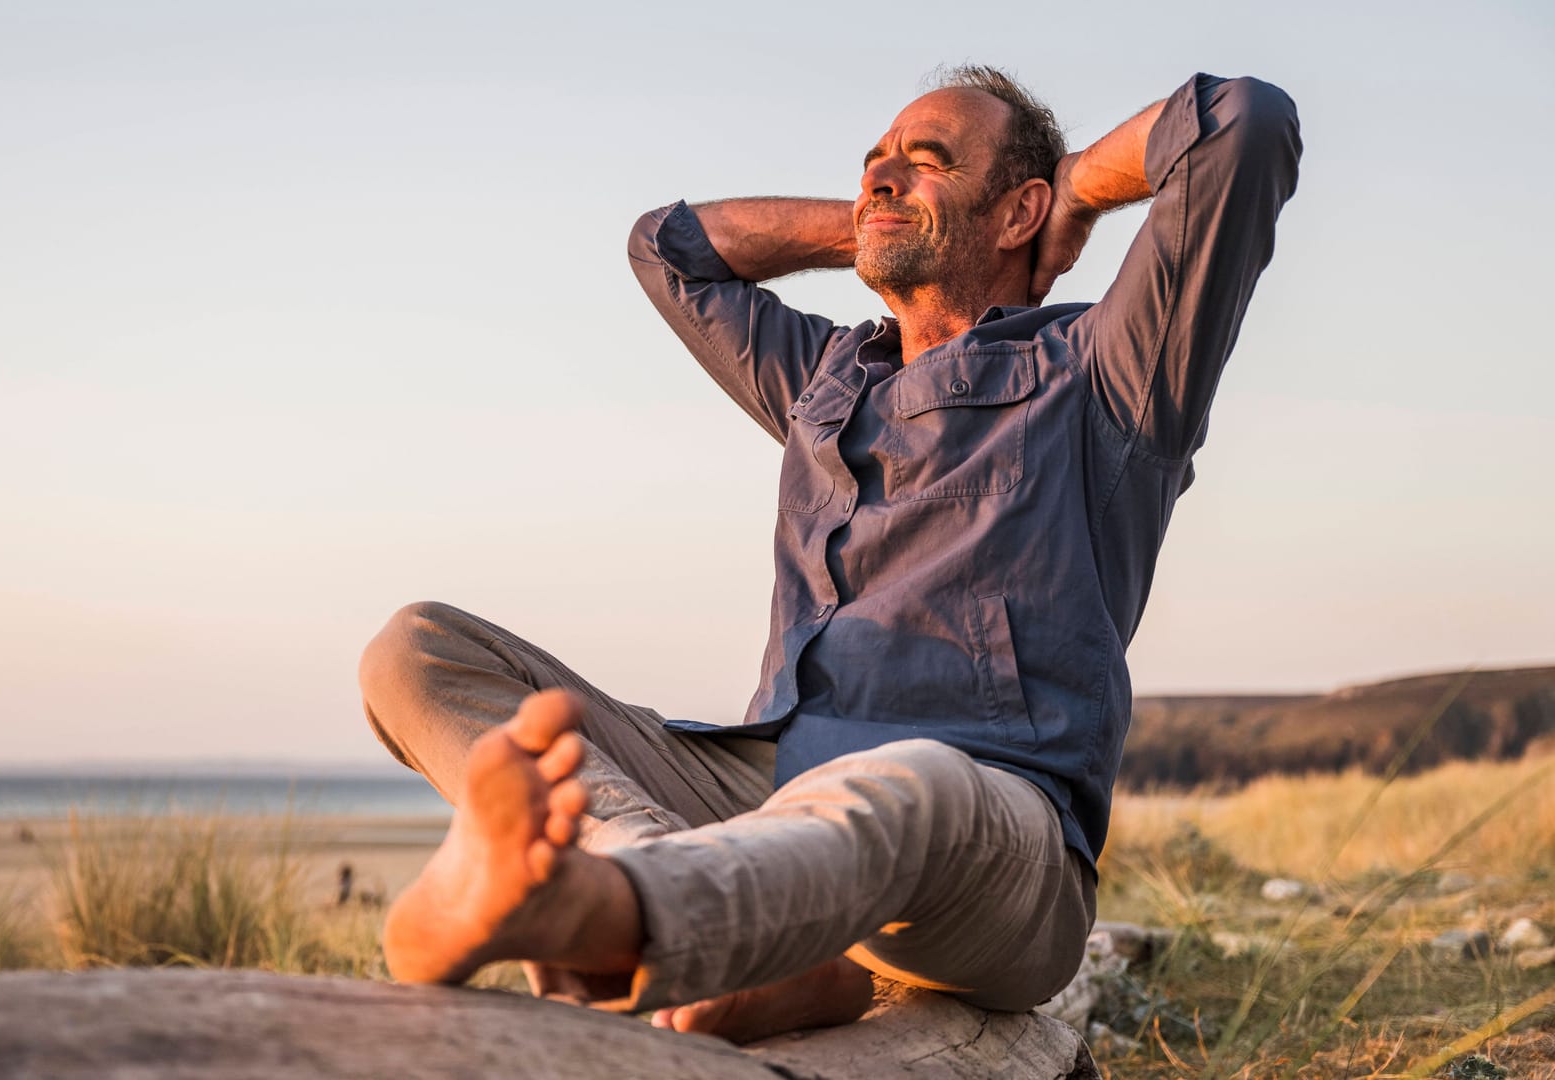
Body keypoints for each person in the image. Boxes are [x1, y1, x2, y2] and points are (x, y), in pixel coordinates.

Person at [359, 65, 1300, 1043]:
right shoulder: (825, 376)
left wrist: (1077, 190)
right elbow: (668, 250)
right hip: (774, 793)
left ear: (1019, 209)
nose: (881, 180)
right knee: (416, 646)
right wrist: (874, 219)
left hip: (989, 841)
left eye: (927, 163)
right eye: (873, 165)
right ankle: (643, 889)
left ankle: (618, 912)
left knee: (907, 784)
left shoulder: (1105, 375)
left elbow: (1242, 124)